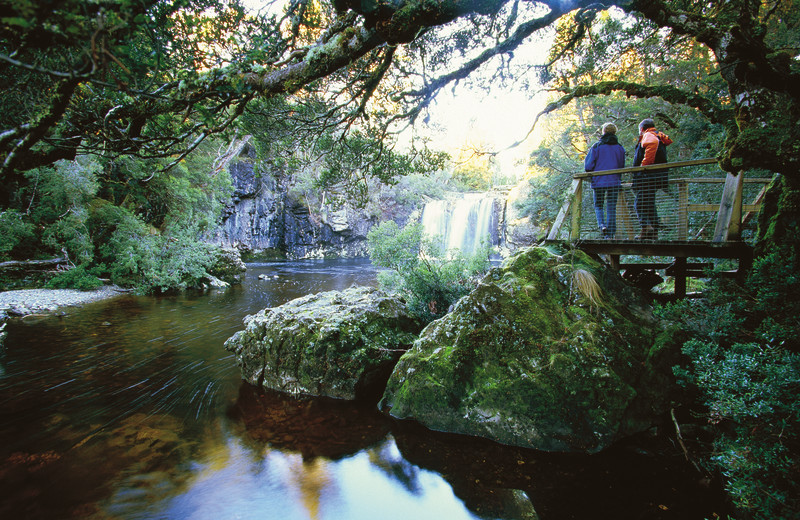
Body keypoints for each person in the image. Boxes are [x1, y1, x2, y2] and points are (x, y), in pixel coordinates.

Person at [632, 118, 673, 240]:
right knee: (649, 204)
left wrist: (644, 166)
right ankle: (654, 231)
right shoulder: (658, 136)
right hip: (657, 176)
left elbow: (652, 145)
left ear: (642, 129)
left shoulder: (649, 135)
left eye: (639, 130)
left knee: (639, 203)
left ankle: (645, 227)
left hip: (648, 176)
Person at [584, 122, 625, 239]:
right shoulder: (620, 148)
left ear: (604, 132)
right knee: (611, 206)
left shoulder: (597, 146)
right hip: (614, 181)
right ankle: (610, 234)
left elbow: (588, 166)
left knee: (599, 205)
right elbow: (621, 165)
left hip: (598, 181)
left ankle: (602, 225)